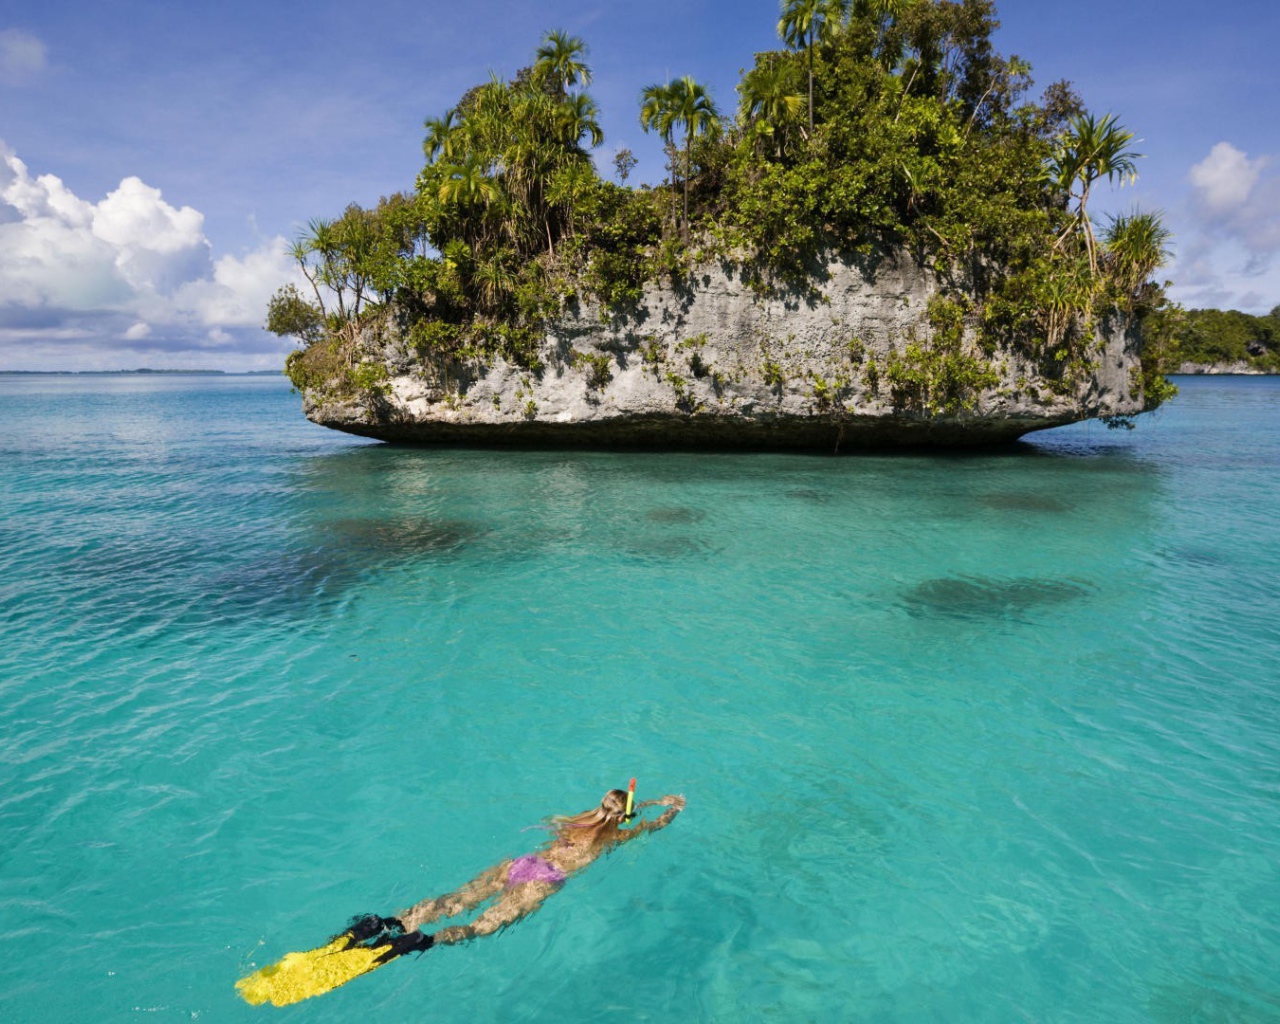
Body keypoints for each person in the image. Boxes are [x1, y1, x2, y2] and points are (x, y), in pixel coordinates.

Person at [354, 788, 686, 958]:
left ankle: (391, 923)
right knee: (482, 925)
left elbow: (614, 810)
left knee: (455, 900)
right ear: (623, 817)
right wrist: (671, 808)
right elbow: (652, 826)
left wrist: (647, 801)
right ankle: (426, 940)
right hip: (545, 880)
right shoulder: (614, 838)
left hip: (524, 863)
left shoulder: (579, 820)